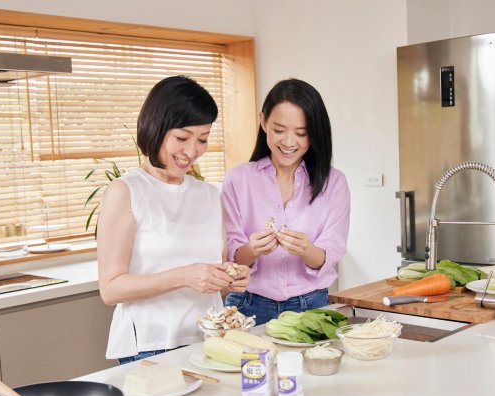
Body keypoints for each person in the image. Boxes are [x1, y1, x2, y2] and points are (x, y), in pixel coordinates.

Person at [97, 76, 250, 365]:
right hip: (150, 346)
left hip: (210, 340)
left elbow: (214, 275)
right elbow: (111, 289)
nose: (192, 151)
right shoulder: (126, 191)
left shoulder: (209, 194)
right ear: (156, 127)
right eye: (182, 138)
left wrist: (230, 279)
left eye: (202, 139)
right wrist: (184, 276)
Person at [221, 78, 350, 325]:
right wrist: (251, 249)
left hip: (311, 305)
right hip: (246, 304)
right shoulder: (238, 179)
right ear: (263, 122)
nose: (289, 142)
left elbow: (332, 250)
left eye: (301, 133)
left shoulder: (334, 182)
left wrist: (306, 250)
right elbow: (232, 256)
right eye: (279, 130)